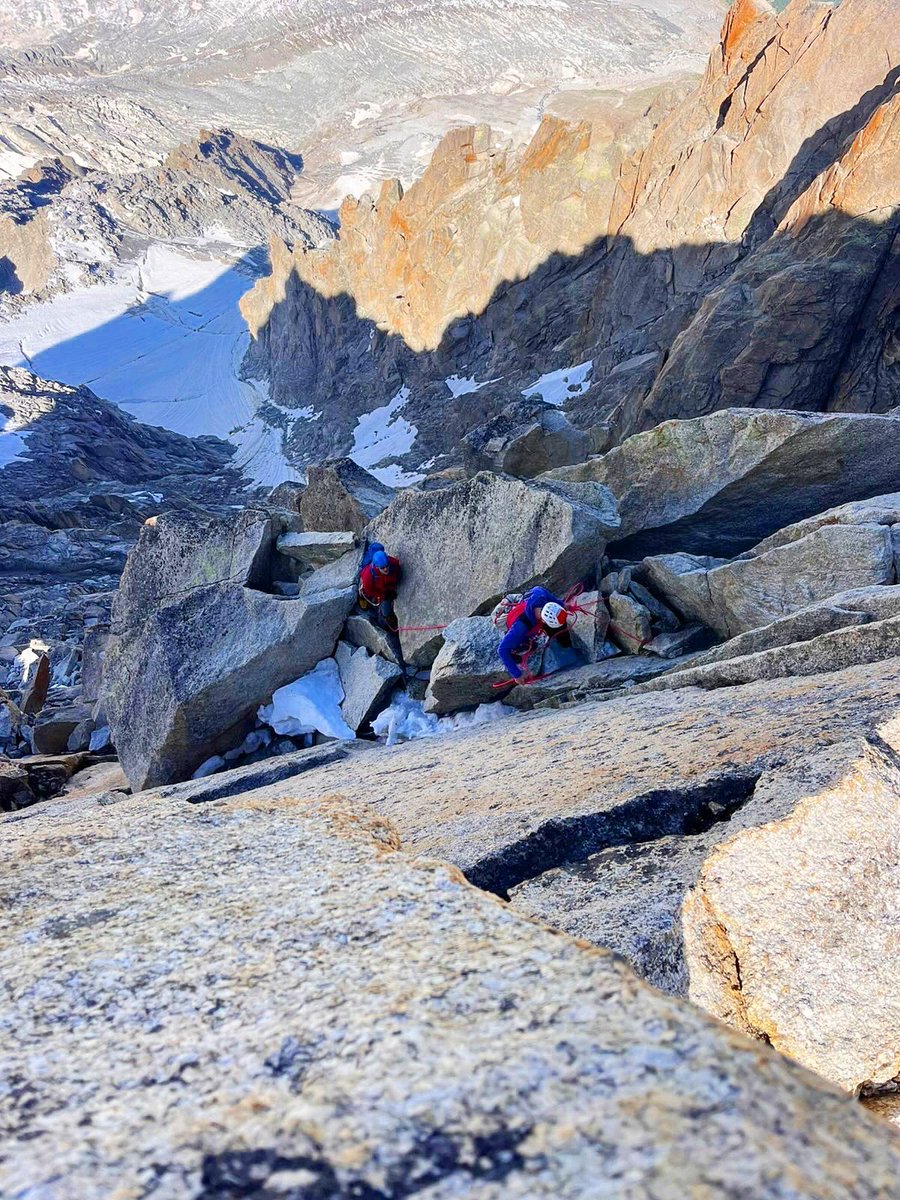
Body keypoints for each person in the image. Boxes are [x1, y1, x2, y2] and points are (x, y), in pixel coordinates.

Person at [496, 586, 573, 680]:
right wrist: (517, 675)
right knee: (522, 644)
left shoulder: (540, 595)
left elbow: (538, 588)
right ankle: (517, 648)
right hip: (518, 622)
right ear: (544, 621)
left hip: (530, 614)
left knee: (560, 629)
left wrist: (562, 604)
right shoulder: (520, 628)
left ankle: (566, 645)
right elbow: (502, 650)